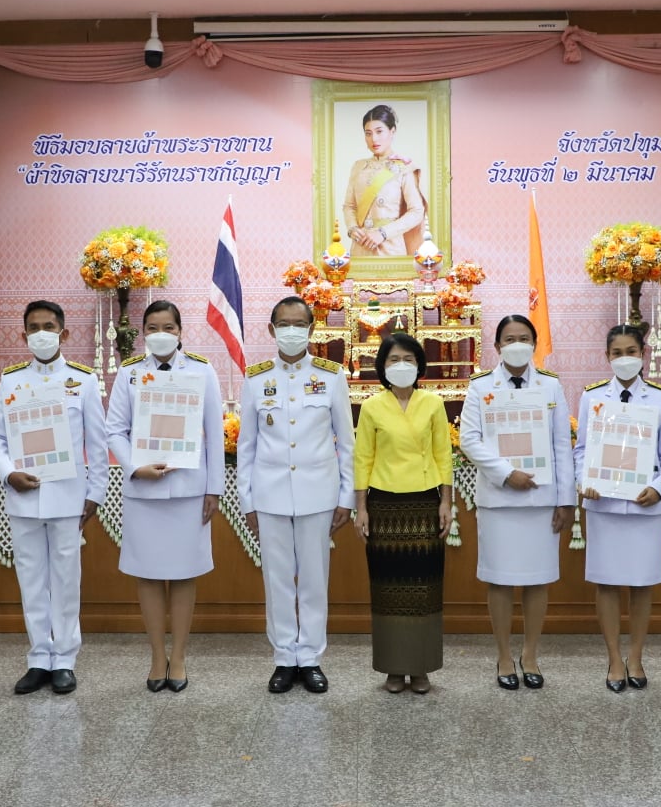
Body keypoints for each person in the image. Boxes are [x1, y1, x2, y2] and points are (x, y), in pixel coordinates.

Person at [0, 299, 108, 696]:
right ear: (23, 335)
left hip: (67, 497)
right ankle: (39, 657)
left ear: (63, 333)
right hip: (23, 497)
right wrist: (8, 473)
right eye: (34, 327)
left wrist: (96, 493)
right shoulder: (11, 380)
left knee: (66, 579)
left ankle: (65, 660)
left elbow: (97, 442)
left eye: (49, 326)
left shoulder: (82, 381)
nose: (41, 333)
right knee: (31, 580)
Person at [237, 295, 355, 695]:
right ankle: (285, 658)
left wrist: (346, 497)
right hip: (269, 495)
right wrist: (247, 501)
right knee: (277, 580)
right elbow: (246, 447)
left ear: (311, 329)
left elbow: (346, 442)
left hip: (318, 494)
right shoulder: (256, 378)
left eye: (299, 324)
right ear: (271, 330)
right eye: (283, 324)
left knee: (314, 580)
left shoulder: (331, 376)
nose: (291, 331)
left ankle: (311, 657)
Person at [105, 301, 223, 693]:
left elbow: (214, 432)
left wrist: (215, 488)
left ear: (180, 331)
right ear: (142, 333)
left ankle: (180, 656)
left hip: (190, 490)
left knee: (185, 572)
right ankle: (158, 656)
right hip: (144, 490)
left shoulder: (202, 370)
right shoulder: (129, 373)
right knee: (149, 573)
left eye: (168, 327)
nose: (161, 334)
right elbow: (114, 430)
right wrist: (133, 466)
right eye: (153, 327)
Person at [460, 315, 574, 690]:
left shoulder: (551, 386)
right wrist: (507, 473)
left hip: (541, 500)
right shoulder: (480, 386)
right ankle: (504, 655)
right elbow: (469, 440)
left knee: (537, 580)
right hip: (500, 500)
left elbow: (561, 445)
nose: (517, 344)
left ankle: (531, 654)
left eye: (524, 338)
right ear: (497, 346)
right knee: (500, 579)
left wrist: (566, 500)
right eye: (509, 339)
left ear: (534, 344)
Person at [575, 324, 661, 693]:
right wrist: (584, 480)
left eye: (631, 351)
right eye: (617, 353)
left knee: (642, 583)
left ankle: (635, 657)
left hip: (644, 505)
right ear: (607, 356)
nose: (624, 359)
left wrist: (658, 487)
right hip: (603, 504)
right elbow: (581, 450)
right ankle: (614, 660)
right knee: (606, 582)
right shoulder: (592, 397)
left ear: (643, 354)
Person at [353, 331, 454, 694]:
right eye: (394, 359)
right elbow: (362, 458)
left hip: (425, 503)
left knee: (425, 588)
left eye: (408, 359)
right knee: (387, 589)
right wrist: (360, 508)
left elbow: (443, 455)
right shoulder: (371, 407)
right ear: (382, 366)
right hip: (384, 505)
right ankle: (394, 668)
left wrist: (446, 502)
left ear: (419, 365)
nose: (401, 365)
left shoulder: (433, 403)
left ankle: (421, 667)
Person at [342, 104, 427, 258]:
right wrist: (352, 228)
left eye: (379, 131)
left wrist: (383, 233)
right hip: (360, 248)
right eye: (368, 133)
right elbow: (349, 206)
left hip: (391, 249)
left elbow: (417, 211)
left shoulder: (403, 167)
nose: (374, 139)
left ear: (392, 131)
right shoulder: (358, 167)